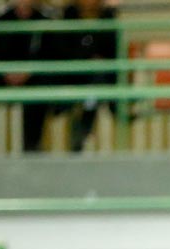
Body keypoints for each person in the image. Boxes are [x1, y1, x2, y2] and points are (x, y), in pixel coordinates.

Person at [0, 0, 53, 154]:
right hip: (4, 74)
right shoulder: (1, 19)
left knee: (43, 89)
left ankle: (32, 145)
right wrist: (5, 71)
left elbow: (51, 52)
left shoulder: (45, 19)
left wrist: (29, 71)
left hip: (32, 76)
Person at [49, 0, 120, 153]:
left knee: (96, 83)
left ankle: (83, 129)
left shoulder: (107, 16)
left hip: (97, 76)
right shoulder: (68, 16)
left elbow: (113, 48)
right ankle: (83, 128)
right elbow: (63, 50)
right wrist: (88, 57)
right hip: (72, 73)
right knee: (95, 83)